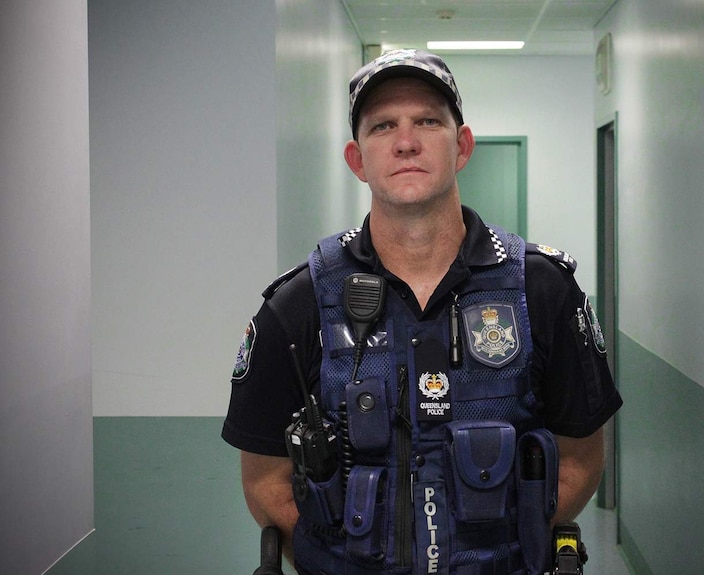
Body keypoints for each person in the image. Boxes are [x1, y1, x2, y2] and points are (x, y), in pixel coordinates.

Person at [222, 49, 622, 575]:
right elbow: (265, 478)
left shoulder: (542, 290)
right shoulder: (297, 305)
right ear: (357, 159)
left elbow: (579, 456)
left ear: (462, 146)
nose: (406, 141)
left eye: (427, 121)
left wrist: (508, 555)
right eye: (383, 125)